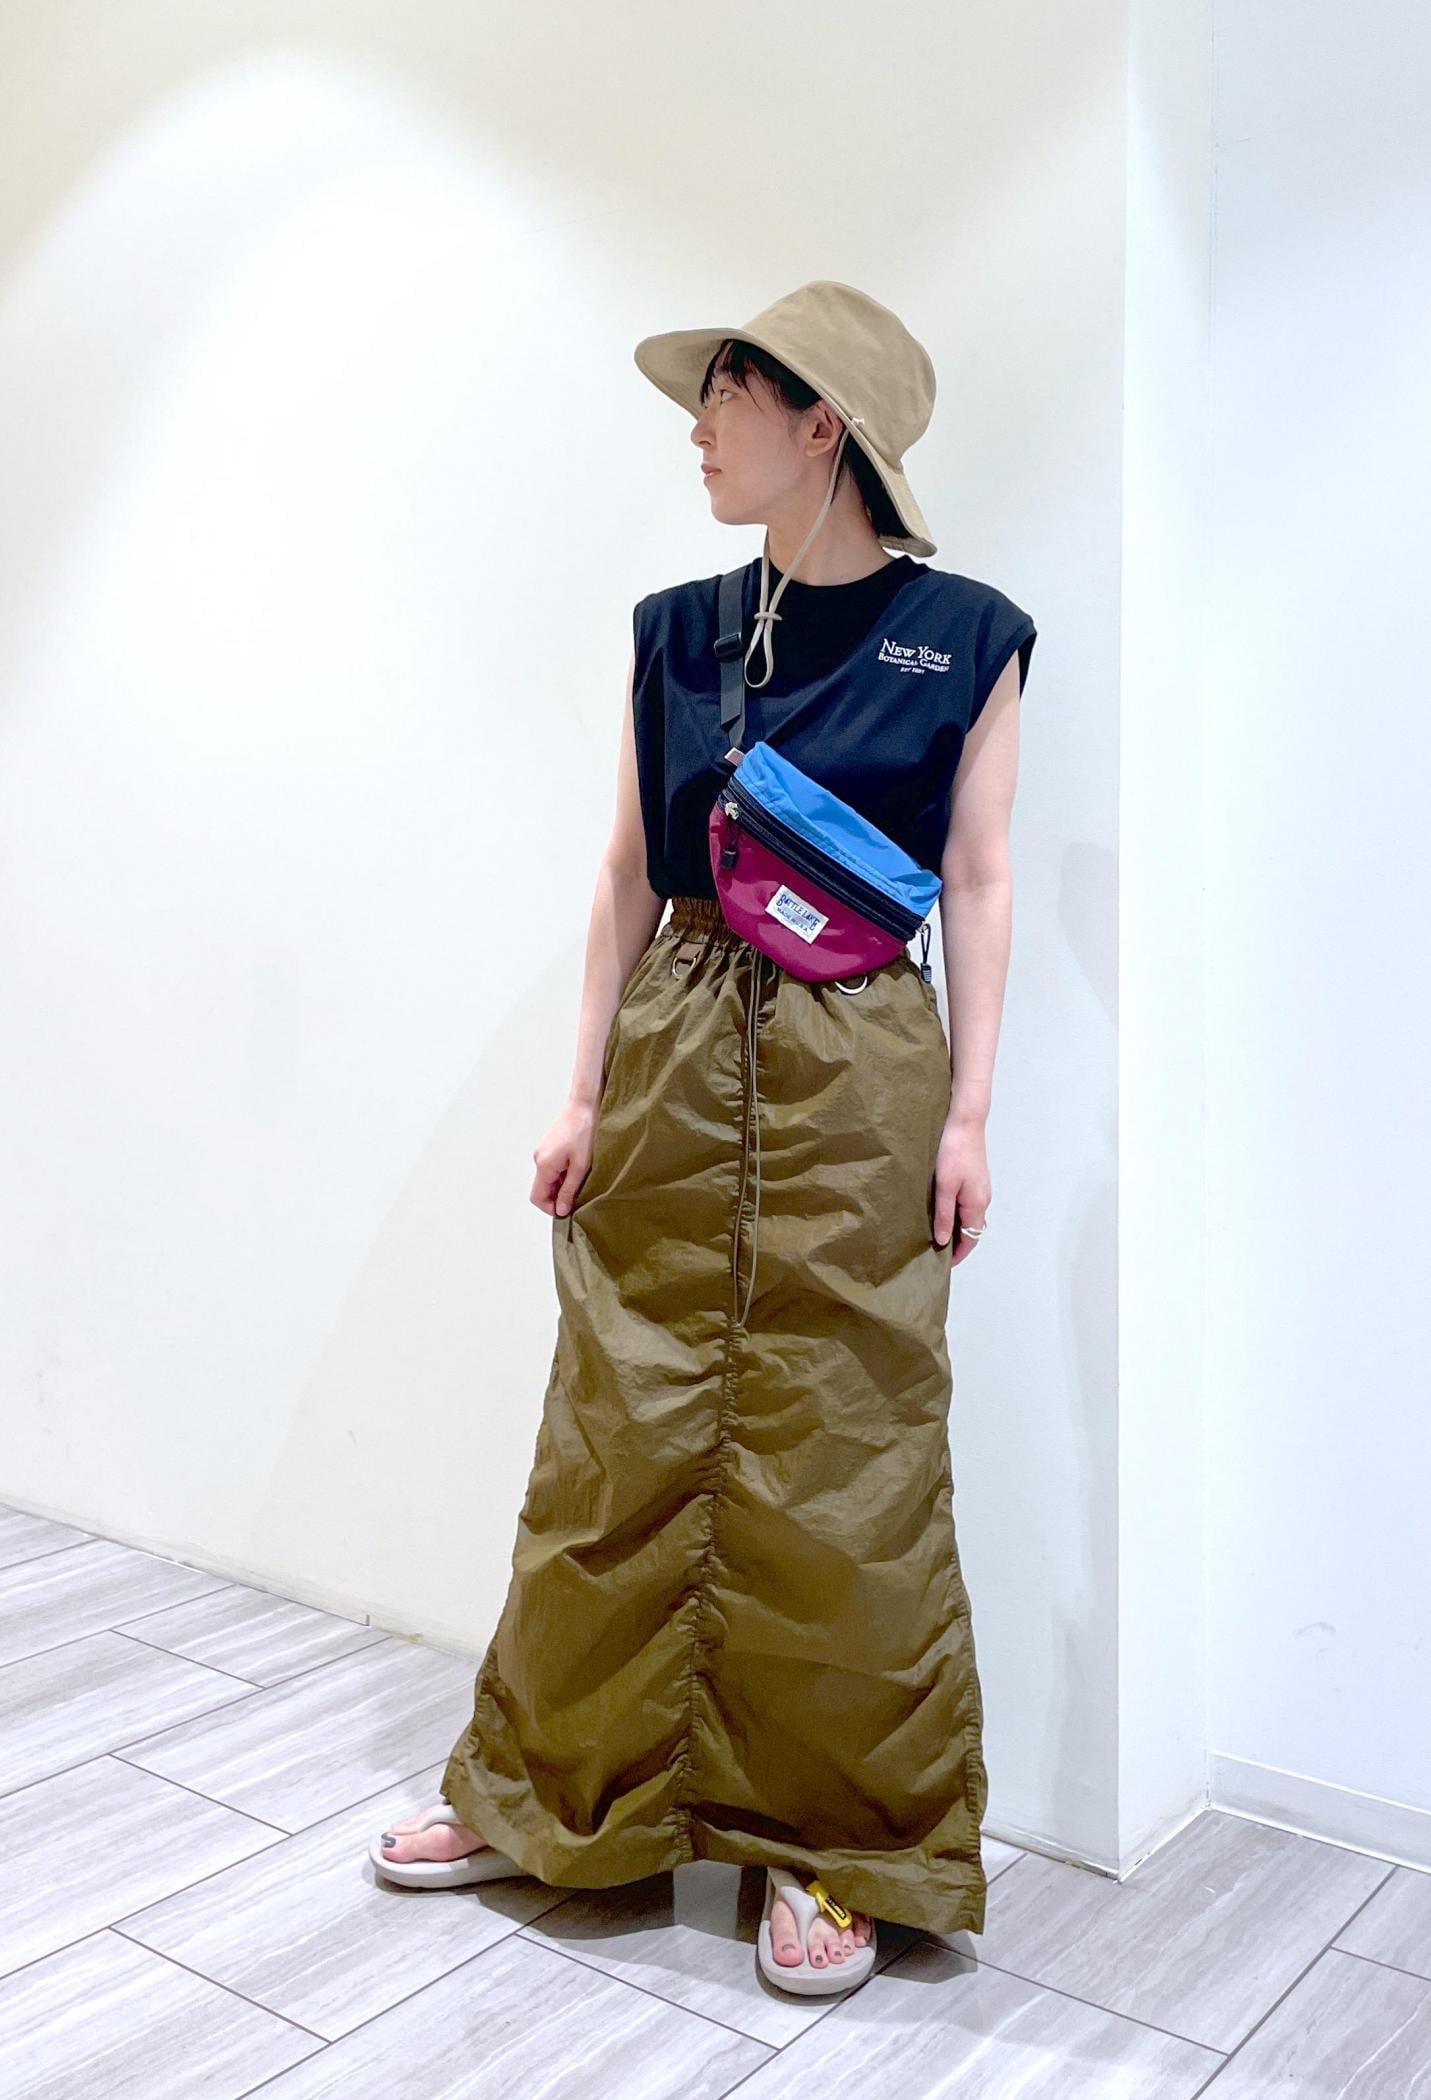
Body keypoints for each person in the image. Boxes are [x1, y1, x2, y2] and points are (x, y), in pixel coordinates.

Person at [369, 281, 1037, 1998]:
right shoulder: (672, 631)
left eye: (729, 392)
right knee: (618, 1428)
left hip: (863, 1067)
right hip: (676, 1040)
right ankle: (552, 1801)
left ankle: (834, 1850)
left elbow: (975, 882)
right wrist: (581, 1089)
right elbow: (623, 871)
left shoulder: (971, 635)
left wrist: (969, 1113)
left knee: (848, 1452)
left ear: (825, 423)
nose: (697, 425)